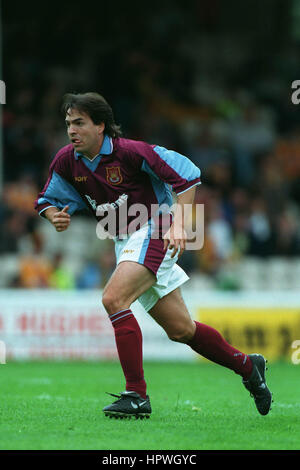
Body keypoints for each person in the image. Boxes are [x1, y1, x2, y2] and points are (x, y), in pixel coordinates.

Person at [34, 92, 272, 419]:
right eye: (68, 124)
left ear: (101, 125)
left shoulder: (131, 151)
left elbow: (188, 174)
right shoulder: (66, 160)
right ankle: (248, 366)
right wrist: (52, 215)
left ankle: (136, 396)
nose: (72, 131)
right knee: (181, 330)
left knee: (114, 299)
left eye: (79, 123)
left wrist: (180, 224)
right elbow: (47, 198)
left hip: (155, 228)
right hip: (124, 240)